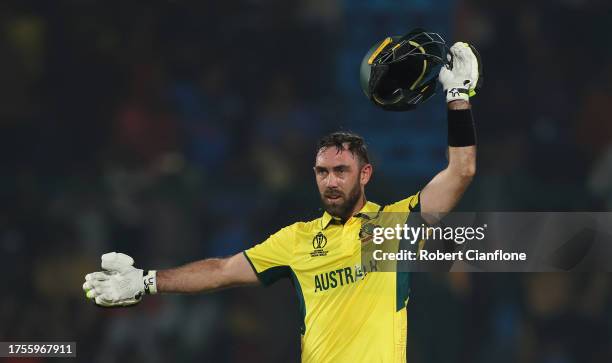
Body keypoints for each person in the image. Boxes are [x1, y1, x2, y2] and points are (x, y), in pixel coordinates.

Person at [83, 42, 480, 363]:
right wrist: (147, 281)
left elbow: (460, 171)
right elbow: (221, 269)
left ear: (365, 175)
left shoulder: (396, 225)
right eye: (322, 172)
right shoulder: (295, 240)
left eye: (341, 170)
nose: (330, 181)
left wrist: (458, 96)